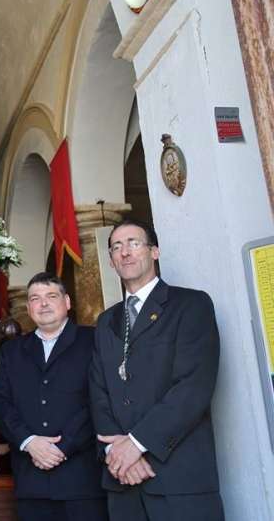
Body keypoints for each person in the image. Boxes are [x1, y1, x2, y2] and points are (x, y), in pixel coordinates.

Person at [89, 219, 224, 520]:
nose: (125, 252)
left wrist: (137, 444)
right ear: (111, 261)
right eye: (116, 247)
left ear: (154, 252)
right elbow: (98, 393)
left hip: (178, 479)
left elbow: (193, 387)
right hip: (123, 481)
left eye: (133, 243)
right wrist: (116, 452)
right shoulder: (106, 321)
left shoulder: (191, 305)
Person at [0, 272, 107, 521]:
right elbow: (0, 402)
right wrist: (29, 441)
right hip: (31, 481)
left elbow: (99, 399)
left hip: (82, 480)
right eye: (35, 298)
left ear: (67, 302)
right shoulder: (12, 350)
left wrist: (62, 447)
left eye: (51, 296)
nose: (43, 304)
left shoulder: (94, 340)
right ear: (28, 308)